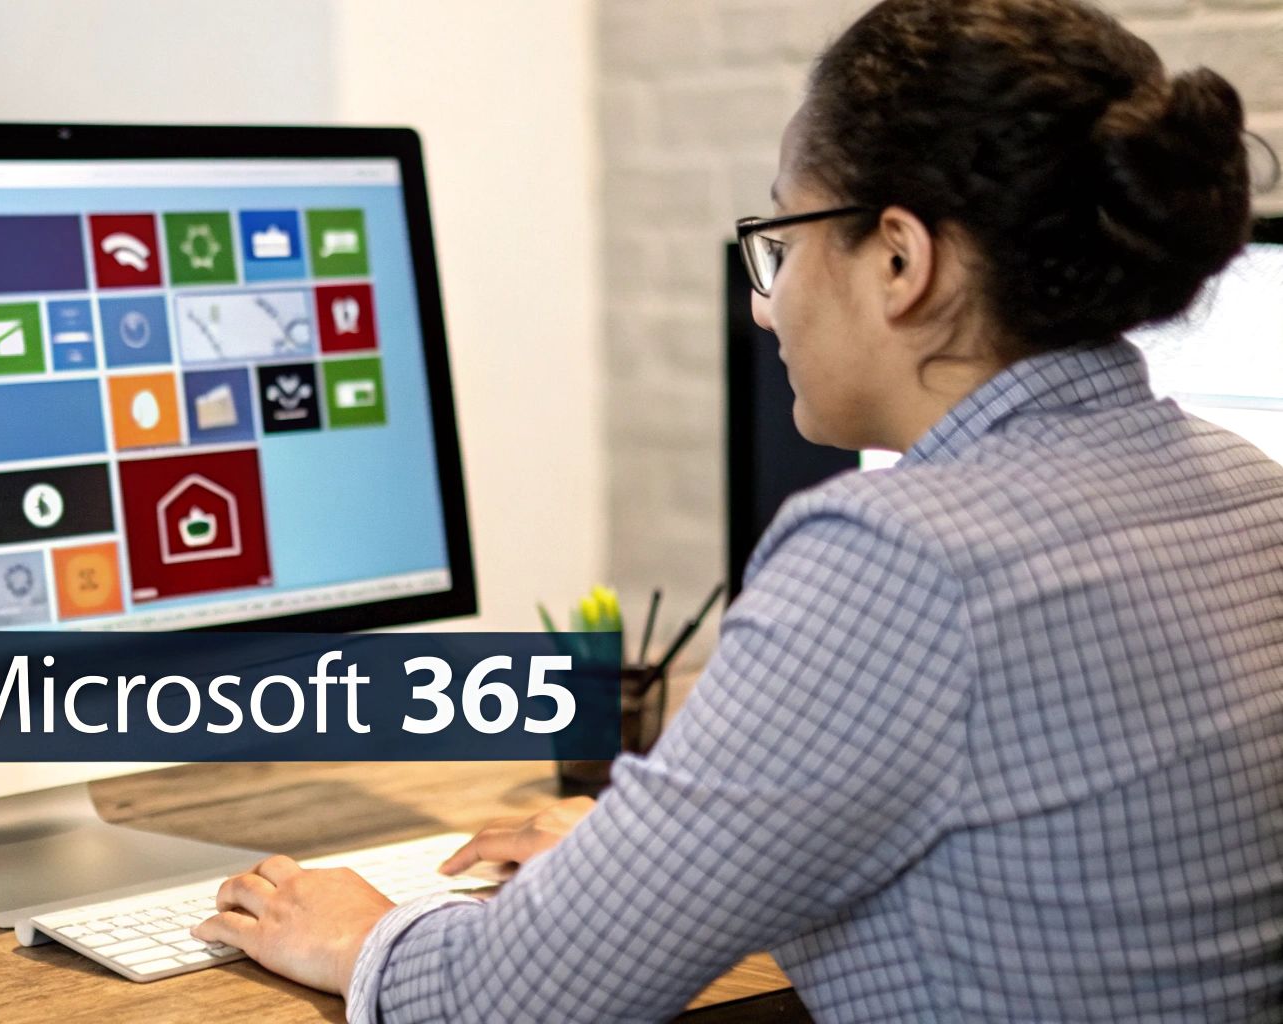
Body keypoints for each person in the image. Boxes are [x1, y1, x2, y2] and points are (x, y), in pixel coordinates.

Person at [192, 0, 1283, 1019]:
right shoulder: (1246, 490)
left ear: (899, 259)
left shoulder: (894, 557)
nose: (763, 304)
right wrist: (641, 856)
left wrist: (358, 933)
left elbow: (519, 998)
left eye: (782, 240)